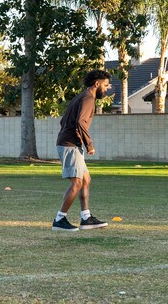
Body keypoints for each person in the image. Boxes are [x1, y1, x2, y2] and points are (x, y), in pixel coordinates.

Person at [52, 70, 112, 232]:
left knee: (85, 180)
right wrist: (89, 144)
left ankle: (86, 218)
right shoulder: (88, 98)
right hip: (70, 144)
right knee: (77, 182)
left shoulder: (81, 96)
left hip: (70, 142)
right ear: (97, 83)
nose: (106, 89)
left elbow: (64, 120)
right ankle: (59, 219)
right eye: (105, 85)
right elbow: (80, 122)